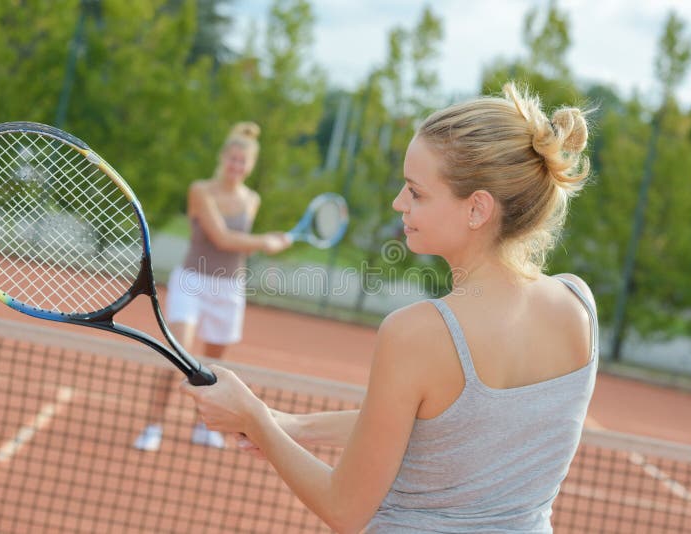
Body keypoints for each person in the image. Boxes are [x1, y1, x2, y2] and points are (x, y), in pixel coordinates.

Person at [181, 83, 598, 533]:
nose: (399, 202)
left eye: (417, 192)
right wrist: (297, 426)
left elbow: (344, 508)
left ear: (477, 209)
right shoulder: (578, 304)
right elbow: (449, 427)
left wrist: (254, 419)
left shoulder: (418, 333)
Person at [133, 121, 293, 452]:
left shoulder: (252, 200)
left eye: (243, 161)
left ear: (250, 165)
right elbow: (221, 238)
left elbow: (238, 246)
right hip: (192, 281)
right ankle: (153, 426)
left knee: (215, 368)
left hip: (229, 289)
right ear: (223, 157)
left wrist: (267, 244)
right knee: (179, 356)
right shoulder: (201, 191)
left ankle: (202, 427)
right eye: (232, 158)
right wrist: (266, 241)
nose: (236, 166)